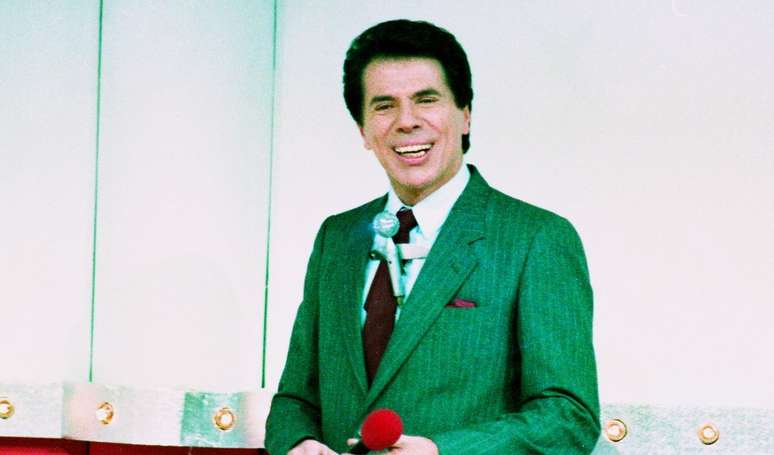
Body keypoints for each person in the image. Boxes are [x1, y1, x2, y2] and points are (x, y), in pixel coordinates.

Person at [265, 19, 600, 455]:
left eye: (426, 100)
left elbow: (568, 418)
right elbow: (295, 399)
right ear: (363, 130)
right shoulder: (337, 238)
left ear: (465, 115)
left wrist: (442, 451)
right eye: (384, 106)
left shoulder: (536, 238)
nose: (406, 122)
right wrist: (298, 443)